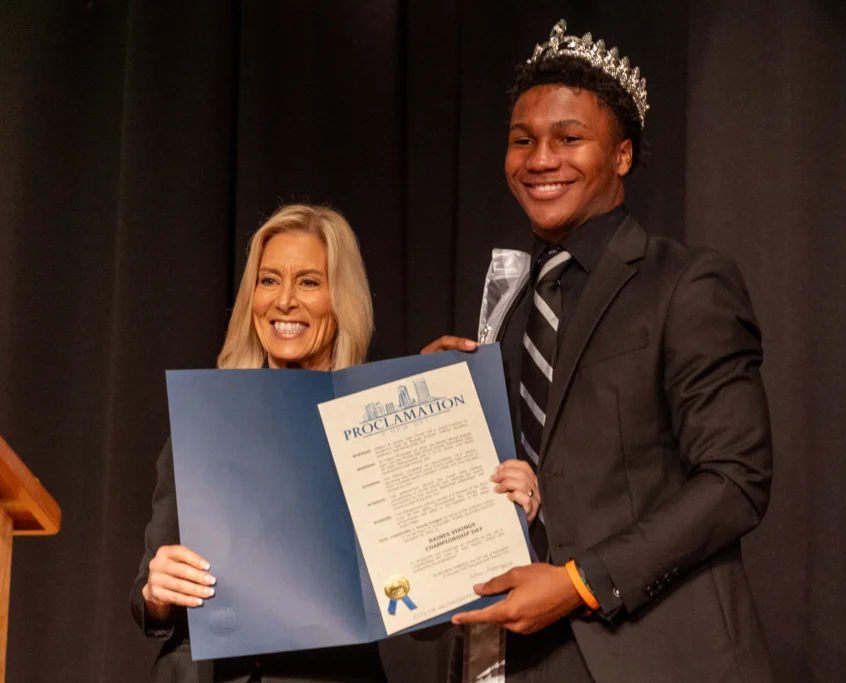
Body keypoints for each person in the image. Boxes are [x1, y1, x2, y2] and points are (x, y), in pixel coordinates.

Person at [423, 20, 775, 683]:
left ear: (621, 155)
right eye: (522, 140)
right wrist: (437, 412)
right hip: (514, 658)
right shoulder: (506, 309)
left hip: (655, 652)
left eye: (569, 138)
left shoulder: (684, 282)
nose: (540, 158)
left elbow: (735, 479)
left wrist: (581, 582)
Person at [130, 204, 542, 683]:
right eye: (268, 281)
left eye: (308, 282)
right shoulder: (207, 421)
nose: (284, 301)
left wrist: (502, 514)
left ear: (340, 298)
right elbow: (146, 598)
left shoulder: (386, 427)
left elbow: (429, 613)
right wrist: (157, 594)